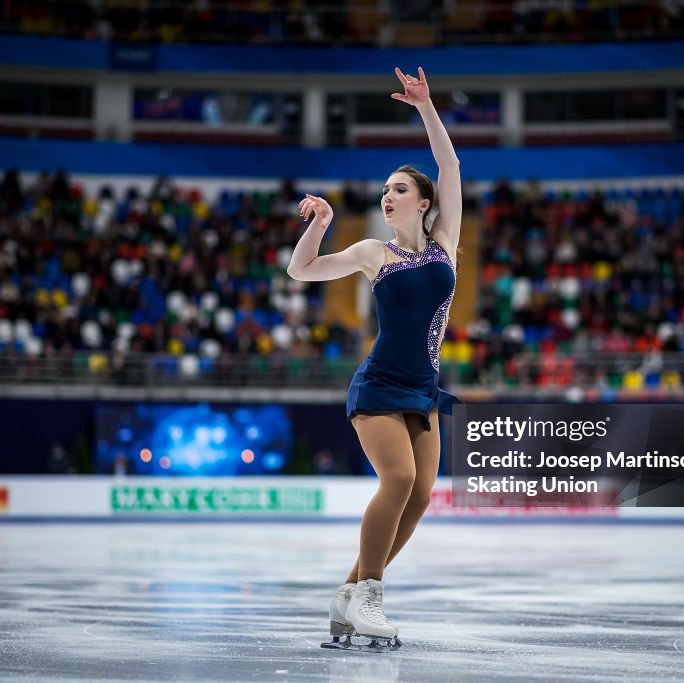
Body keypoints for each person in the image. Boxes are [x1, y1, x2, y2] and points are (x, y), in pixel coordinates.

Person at [287, 66, 461, 647]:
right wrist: (322, 223)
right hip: (381, 384)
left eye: (399, 189)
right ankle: (369, 597)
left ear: (424, 202)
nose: (387, 196)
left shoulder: (446, 245)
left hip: (425, 389)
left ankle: (346, 596)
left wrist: (425, 109)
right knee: (399, 478)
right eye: (384, 191)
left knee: (419, 497)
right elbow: (302, 270)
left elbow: (451, 166)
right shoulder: (371, 252)